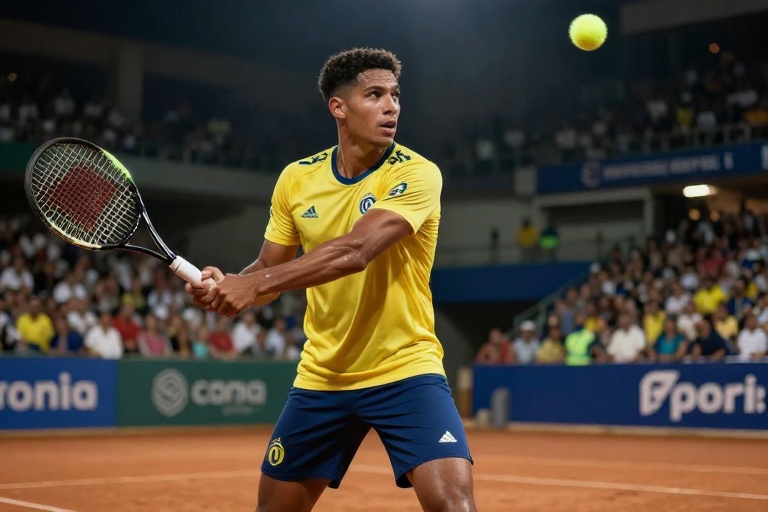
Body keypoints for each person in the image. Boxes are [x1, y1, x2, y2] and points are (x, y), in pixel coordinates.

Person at [186, 48, 476, 512]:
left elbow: (355, 251)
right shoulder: (296, 179)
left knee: (451, 505)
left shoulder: (417, 173)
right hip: (323, 375)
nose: (391, 107)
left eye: (396, 95)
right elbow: (268, 268)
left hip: (405, 368)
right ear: (338, 107)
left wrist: (255, 285)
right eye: (375, 95)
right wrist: (231, 284)